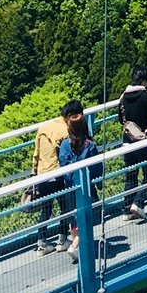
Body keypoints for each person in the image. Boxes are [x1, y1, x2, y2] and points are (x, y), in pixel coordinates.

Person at [32, 99, 82, 253]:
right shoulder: (65, 130)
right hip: (57, 173)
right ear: (71, 116)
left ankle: (42, 242)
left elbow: (36, 153)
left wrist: (34, 171)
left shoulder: (44, 127)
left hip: (42, 174)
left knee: (46, 210)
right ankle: (62, 239)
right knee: (65, 208)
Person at [54, 110, 101, 257]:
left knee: (75, 217)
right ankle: (75, 246)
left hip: (70, 186)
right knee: (88, 217)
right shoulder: (89, 145)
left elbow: (63, 164)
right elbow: (96, 168)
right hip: (86, 187)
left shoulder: (64, 145)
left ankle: (78, 246)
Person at [118, 68, 147, 221]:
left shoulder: (123, 97)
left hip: (127, 142)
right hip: (143, 141)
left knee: (131, 176)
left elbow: (120, 118)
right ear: (144, 81)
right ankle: (138, 203)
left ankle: (127, 210)